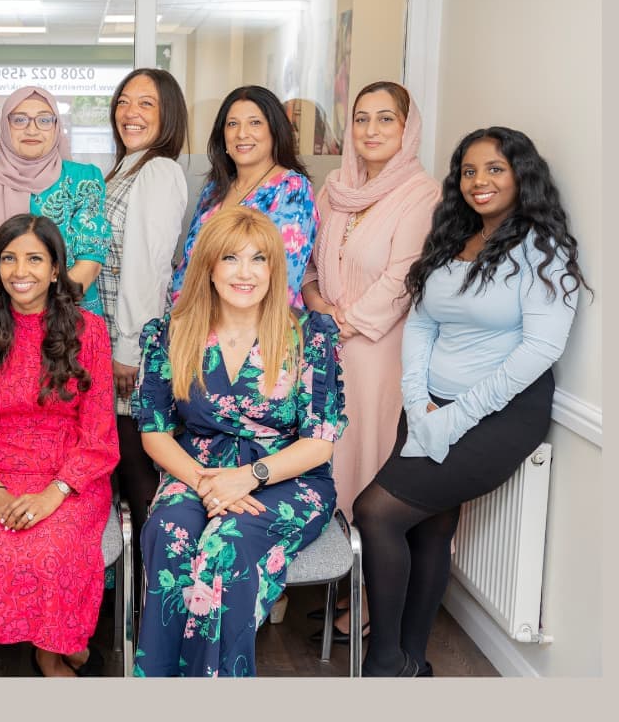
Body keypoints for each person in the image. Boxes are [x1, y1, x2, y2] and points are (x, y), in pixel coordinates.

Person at [354, 127, 588, 678]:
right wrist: (417, 397)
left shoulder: (542, 249)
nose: (479, 181)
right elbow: (423, 321)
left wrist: (457, 414)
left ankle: (384, 663)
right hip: (429, 402)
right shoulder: (453, 238)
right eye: (469, 171)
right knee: (429, 526)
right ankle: (412, 660)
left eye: (494, 169)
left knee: (376, 513)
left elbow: (541, 348)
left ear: (522, 176)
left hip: (502, 415)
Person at [134, 206, 346, 677]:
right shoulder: (170, 333)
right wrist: (210, 484)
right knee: (171, 536)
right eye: (231, 258)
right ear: (209, 267)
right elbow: (154, 432)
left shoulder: (309, 336)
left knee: (224, 547)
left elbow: (320, 442)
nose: (245, 273)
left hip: (287, 477)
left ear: (275, 269)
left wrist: (247, 479)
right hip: (197, 472)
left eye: (259, 260)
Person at [0, 215, 119, 678]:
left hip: (69, 475)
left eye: (35, 258)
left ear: (57, 268)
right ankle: (50, 643)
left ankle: (51, 648)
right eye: (9, 258)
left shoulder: (90, 332)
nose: (21, 270)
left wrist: (53, 493)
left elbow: (99, 435)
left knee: (53, 549)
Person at [299, 81, 439, 640]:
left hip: (379, 353)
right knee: (331, 462)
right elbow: (308, 266)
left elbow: (403, 277)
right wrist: (317, 306)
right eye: (361, 119)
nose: (372, 130)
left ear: (407, 129)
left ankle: (370, 601)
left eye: (386, 119)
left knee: (370, 465)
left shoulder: (421, 194)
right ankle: (342, 582)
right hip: (326, 348)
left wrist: (343, 320)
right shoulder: (334, 189)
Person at [96, 67, 188, 577]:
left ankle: (160, 593)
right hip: (112, 338)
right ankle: (129, 591)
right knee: (122, 468)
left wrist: (129, 348)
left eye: (146, 104)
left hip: (132, 346)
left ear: (168, 114)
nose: (131, 113)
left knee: (138, 470)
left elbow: (148, 264)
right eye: (124, 102)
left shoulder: (157, 171)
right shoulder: (127, 168)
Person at [0, 85, 111, 314]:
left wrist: (38, 320)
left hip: (67, 320)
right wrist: (2, 315)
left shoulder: (83, 179)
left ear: (56, 127)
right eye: (20, 120)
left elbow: (90, 261)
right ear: (5, 126)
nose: (32, 130)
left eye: (44, 120)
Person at [170, 85, 316, 308]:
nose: (242, 133)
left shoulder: (292, 188)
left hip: (256, 334)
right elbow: (189, 266)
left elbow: (283, 280)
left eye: (255, 122)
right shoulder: (215, 189)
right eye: (232, 124)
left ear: (275, 131)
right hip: (193, 325)